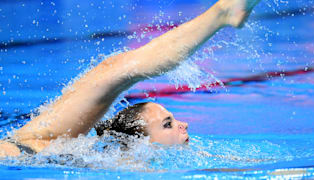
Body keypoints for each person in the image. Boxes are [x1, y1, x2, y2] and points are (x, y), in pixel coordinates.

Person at [0, 0, 261, 157]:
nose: (185, 125)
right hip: (23, 149)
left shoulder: (108, 154)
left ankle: (223, 12)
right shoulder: (119, 159)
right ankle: (222, 13)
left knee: (114, 68)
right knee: (115, 69)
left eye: (170, 122)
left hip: (24, 144)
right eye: (168, 124)